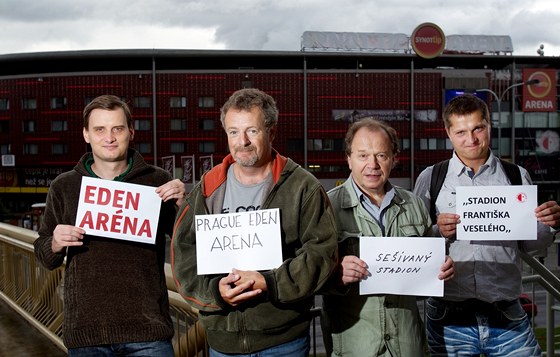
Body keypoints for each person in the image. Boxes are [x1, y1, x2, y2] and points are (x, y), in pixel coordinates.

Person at [171, 88, 338, 356]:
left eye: (253, 130)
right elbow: (184, 254)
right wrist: (215, 292)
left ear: (271, 132)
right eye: (234, 132)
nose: (243, 141)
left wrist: (270, 283)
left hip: (284, 341)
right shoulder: (208, 187)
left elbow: (322, 253)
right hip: (223, 343)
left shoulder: (301, 186)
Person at [34, 94, 186, 356]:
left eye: (117, 128)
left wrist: (184, 206)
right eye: (99, 129)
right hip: (87, 333)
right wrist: (55, 242)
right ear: (86, 135)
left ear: (130, 131)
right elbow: (45, 256)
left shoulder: (157, 181)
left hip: (148, 332)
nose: (109, 137)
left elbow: (186, 241)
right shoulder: (65, 186)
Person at [413, 93, 560, 356]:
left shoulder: (516, 175)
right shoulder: (431, 178)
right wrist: (438, 231)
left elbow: (530, 244)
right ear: (448, 133)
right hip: (449, 314)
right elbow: (413, 243)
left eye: (477, 128)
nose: (471, 139)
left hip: (505, 309)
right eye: (461, 132)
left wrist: (550, 225)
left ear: (489, 126)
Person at [320, 117, 454, 357]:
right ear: (348, 159)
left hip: (407, 344)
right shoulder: (326, 207)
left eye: (381, 155)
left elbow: (423, 280)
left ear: (394, 159)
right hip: (354, 345)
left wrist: (440, 271)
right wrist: (334, 274)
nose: (372, 164)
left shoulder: (413, 204)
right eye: (362, 155)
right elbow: (308, 276)